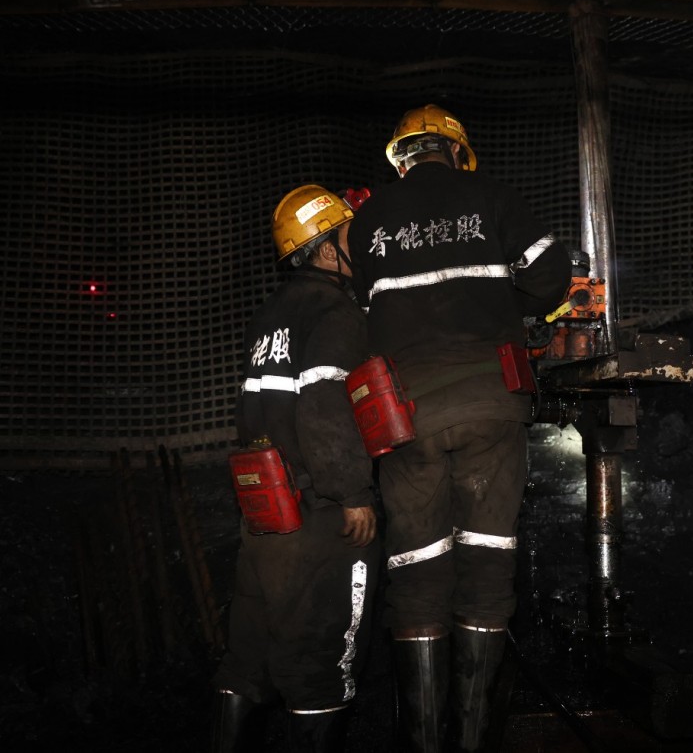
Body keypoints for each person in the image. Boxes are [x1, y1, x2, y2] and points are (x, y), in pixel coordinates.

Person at [347, 104, 571, 751]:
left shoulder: (368, 222)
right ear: (456, 151)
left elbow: (359, 312)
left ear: (401, 159)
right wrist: (504, 305)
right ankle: (472, 740)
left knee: (417, 571)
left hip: (405, 417)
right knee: (487, 563)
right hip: (488, 405)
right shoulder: (491, 197)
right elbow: (551, 277)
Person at [211, 185, 381, 753]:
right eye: (351, 236)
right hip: (317, 519)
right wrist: (352, 492)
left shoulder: (270, 316)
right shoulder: (334, 312)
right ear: (328, 250)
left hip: (265, 516)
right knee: (320, 666)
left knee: (247, 660)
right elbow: (325, 405)